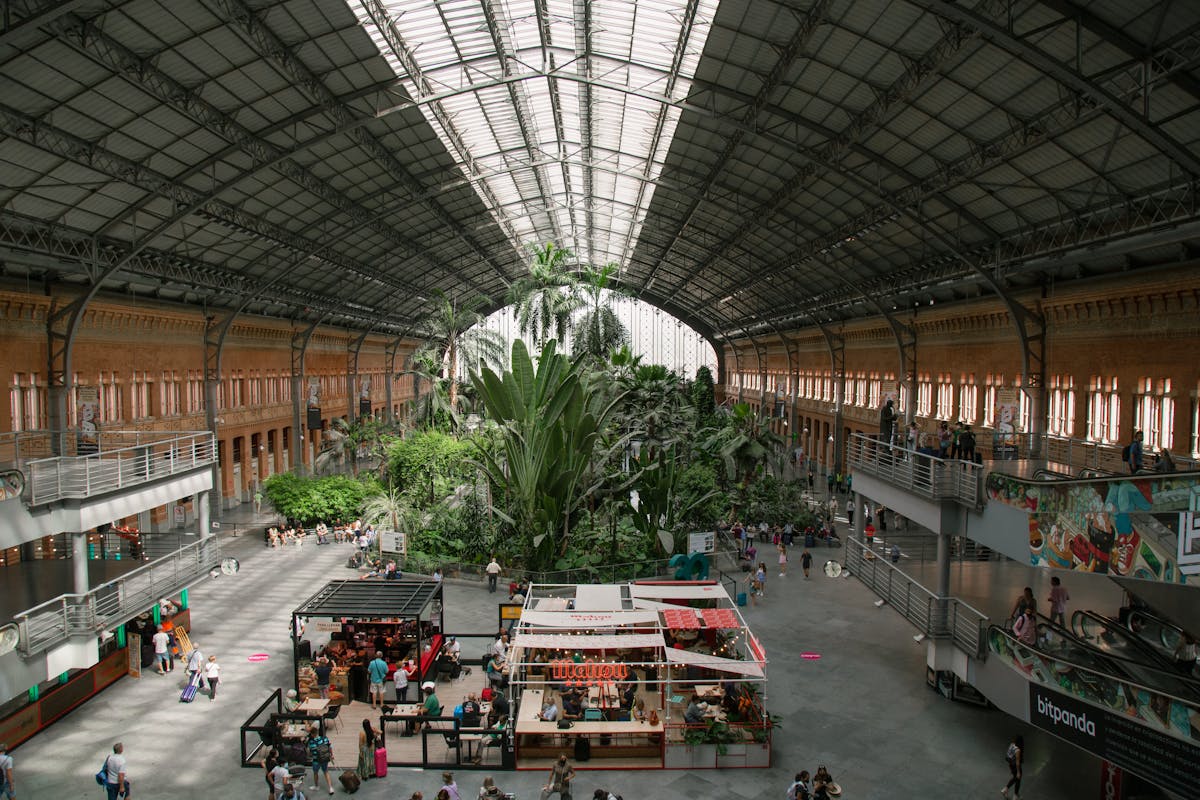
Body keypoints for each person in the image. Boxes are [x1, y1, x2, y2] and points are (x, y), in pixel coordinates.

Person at [305, 725, 335, 795]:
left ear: (312, 734)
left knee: (315, 773)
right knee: (326, 772)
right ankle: (330, 787)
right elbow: (329, 747)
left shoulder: (311, 742)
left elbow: (309, 752)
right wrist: (332, 755)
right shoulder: (325, 738)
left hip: (316, 760)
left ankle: (316, 786)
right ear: (317, 732)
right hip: (325, 758)